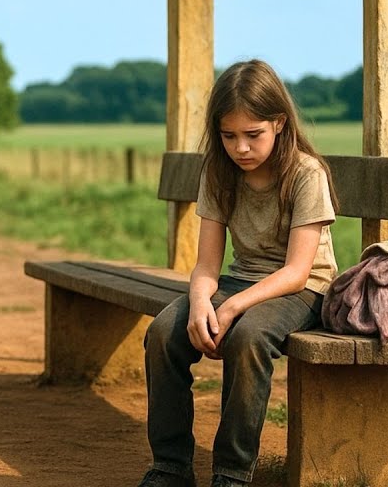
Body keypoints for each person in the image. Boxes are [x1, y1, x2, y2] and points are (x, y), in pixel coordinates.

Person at [137, 59, 339, 487]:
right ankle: (170, 467)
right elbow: (207, 265)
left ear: (279, 123)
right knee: (161, 333)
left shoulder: (306, 174)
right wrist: (197, 306)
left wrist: (231, 309)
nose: (241, 148)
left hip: (303, 291)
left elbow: (298, 272)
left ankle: (231, 473)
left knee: (247, 338)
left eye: (253, 135)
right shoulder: (217, 170)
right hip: (238, 281)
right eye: (229, 136)